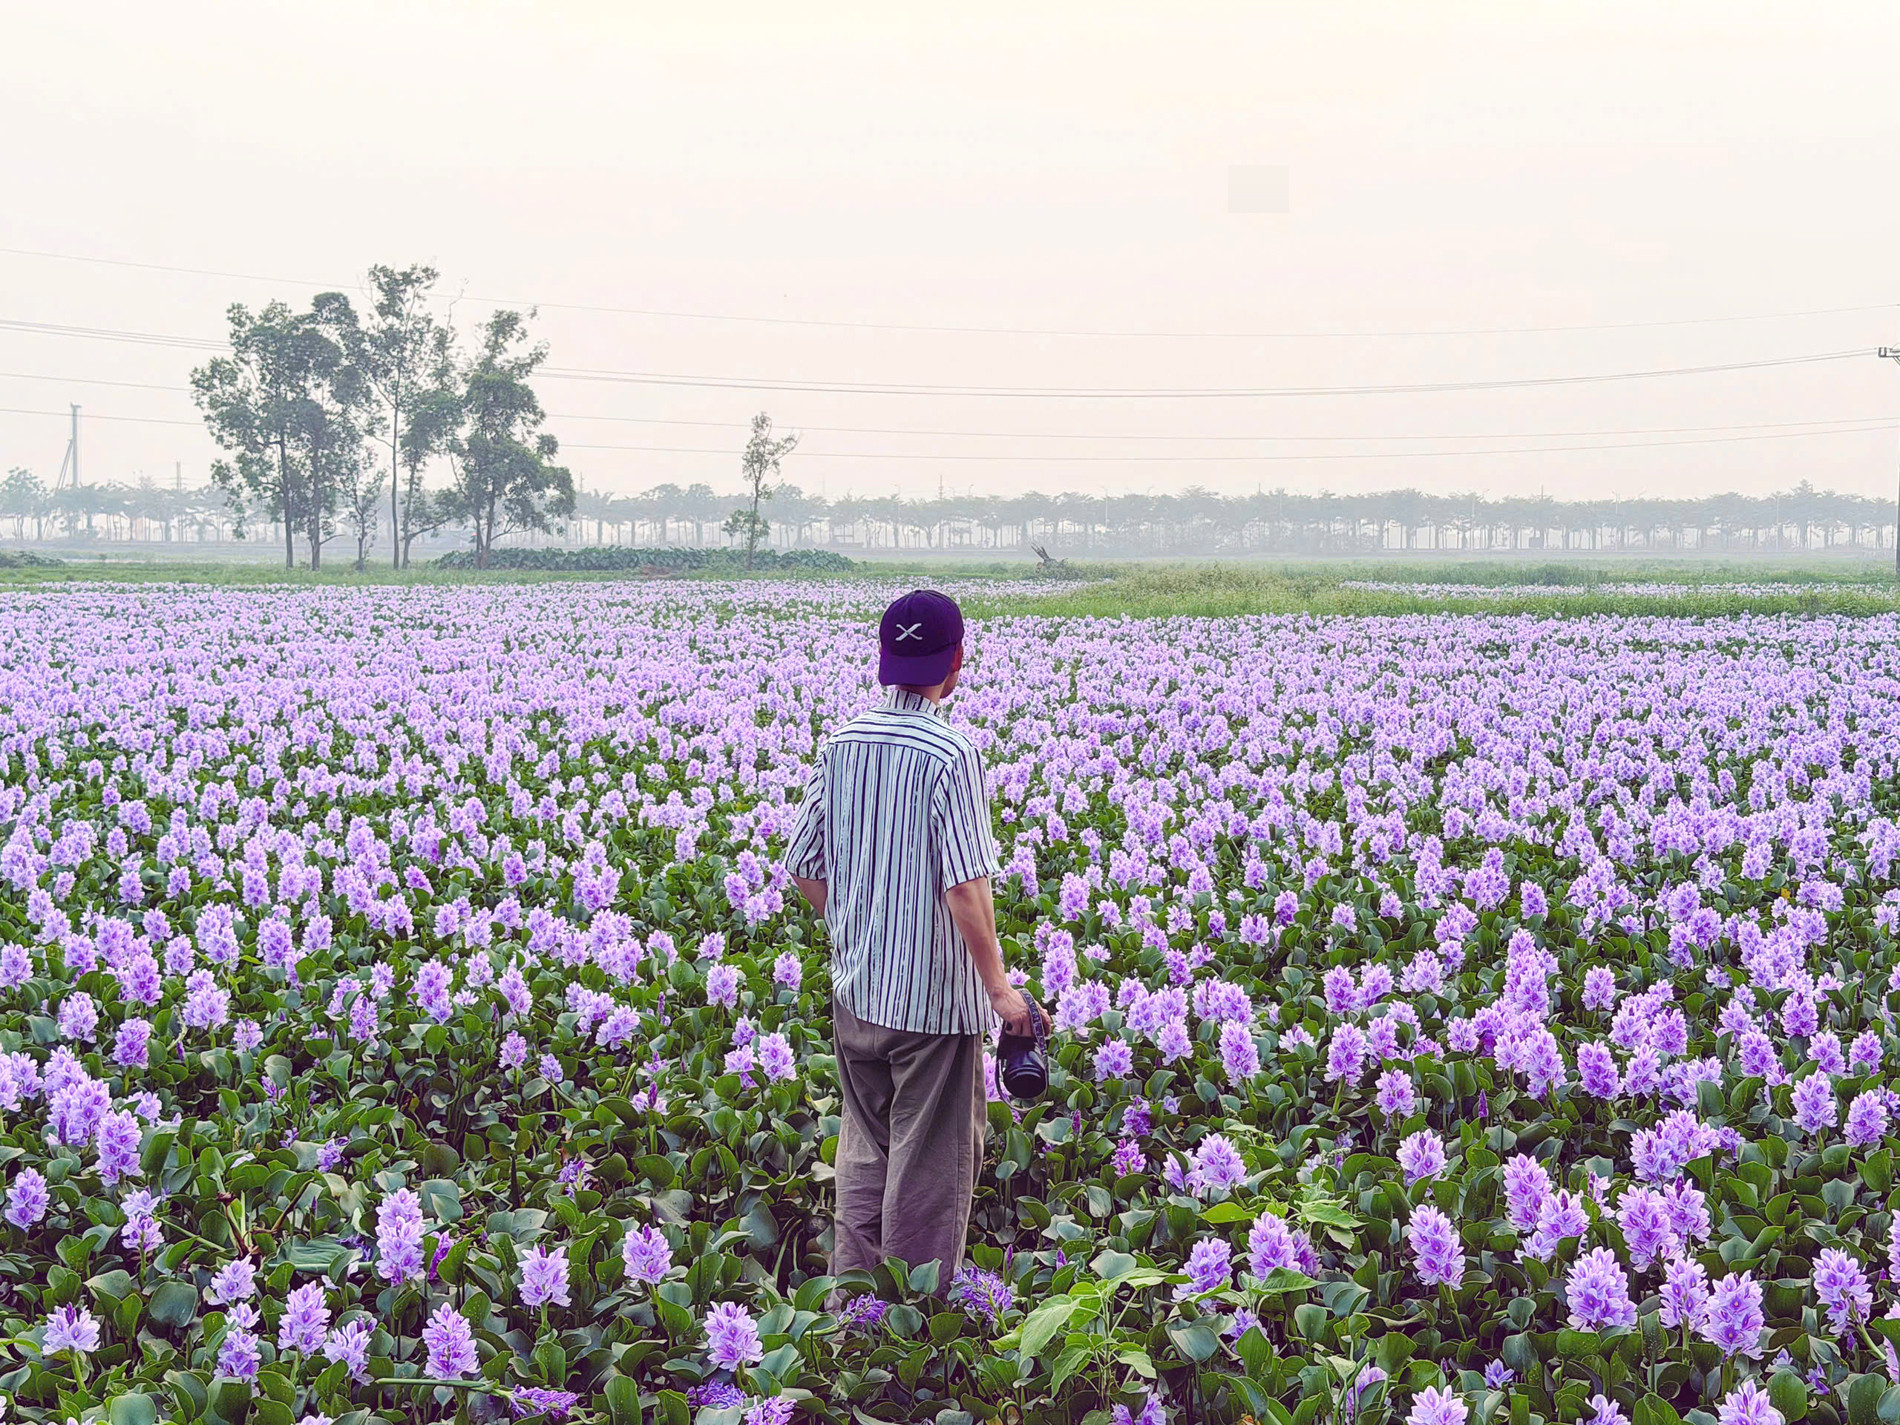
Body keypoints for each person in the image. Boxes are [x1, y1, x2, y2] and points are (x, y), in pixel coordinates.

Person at [781, 587, 1042, 1288]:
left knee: (866, 1155)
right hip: (931, 1010)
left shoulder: (841, 744)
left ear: (884, 659)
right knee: (927, 1175)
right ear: (956, 663)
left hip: (857, 997)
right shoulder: (951, 753)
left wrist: (858, 928)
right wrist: (1000, 989)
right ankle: (910, 1327)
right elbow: (965, 886)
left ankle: (853, 1312)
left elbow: (803, 864)